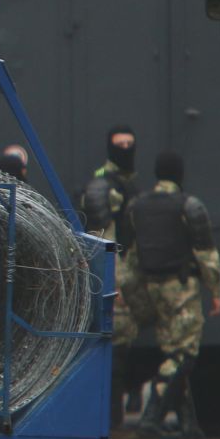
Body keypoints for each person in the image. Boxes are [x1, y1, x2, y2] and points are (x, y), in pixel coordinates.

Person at [126, 151, 220, 439]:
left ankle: (188, 423)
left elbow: (131, 255)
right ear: (179, 174)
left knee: (172, 350)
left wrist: (127, 293)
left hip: (150, 288)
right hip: (181, 290)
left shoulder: (137, 206)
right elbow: (206, 255)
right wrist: (215, 292)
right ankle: (151, 415)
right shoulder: (189, 206)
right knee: (184, 354)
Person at [79, 124, 139, 420]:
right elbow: (107, 237)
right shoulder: (107, 185)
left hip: (127, 270)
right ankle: (112, 410)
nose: (127, 149)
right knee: (117, 340)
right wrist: (114, 278)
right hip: (115, 273)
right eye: (121, 144)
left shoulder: (124, 182)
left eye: (131, 144)